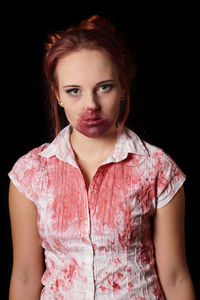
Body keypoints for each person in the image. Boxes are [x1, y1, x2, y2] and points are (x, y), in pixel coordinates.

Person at [8, 15, 196, 300]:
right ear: (57, 94)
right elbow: (24, 276)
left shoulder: (157, 168)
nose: (91, 105)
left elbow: (175, 276)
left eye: (104, 87)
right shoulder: (30, 174)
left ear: (122, 88)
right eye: (74, 91)